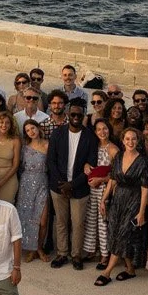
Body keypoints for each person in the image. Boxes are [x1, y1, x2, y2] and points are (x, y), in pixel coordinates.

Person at [97, 127, 148, 285]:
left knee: (123, 234)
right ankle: (130, 269)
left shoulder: (142, 161)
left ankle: (107, 272)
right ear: (122, 141)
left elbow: (144, 188)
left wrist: (141, 212)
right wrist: (103, 199)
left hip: (133, 200)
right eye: (127, 139)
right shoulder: (119, 156)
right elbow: (113, 180)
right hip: (117, 199)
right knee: (115, 232)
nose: (130, 142)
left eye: (133, 139)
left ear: (138, 140)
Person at [46, 99, 97, 269]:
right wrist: (62, 184)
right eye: (73, 114)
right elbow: (51, 161)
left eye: (79, 114)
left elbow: (91, 165)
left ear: (83, 115)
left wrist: (72, 185)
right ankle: (62, 253)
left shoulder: (90, 137)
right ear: (68, 114)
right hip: (58, 186)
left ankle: (76, 255)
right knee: (60, 221)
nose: (75, 117)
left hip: (80, 188)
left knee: (78, 223)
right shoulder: (58, 133)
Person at [81, 119, 117, 267]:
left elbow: (116, 174)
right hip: (92, 189)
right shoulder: (93, 146)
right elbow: (87, 161)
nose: (102, 132)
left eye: (105, 129)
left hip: (105, 188)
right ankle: (91, 250)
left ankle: (104, 254)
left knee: (103, 222)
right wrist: (86, 165)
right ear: (95, 132)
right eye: (99, 129)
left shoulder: (113, 149)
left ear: (109, 130)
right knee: (91, 220)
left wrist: (101, 180)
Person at [14, 119, 48, 263]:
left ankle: (39, 247)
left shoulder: (48, 145)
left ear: (38, 128)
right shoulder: (25, 146)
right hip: (26, 183)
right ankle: (31, 249)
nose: (31, 132)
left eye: (32, 128)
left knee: (42, 219)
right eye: (27, 130)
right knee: (27, 217)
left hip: (42, 182)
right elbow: (20, 165)